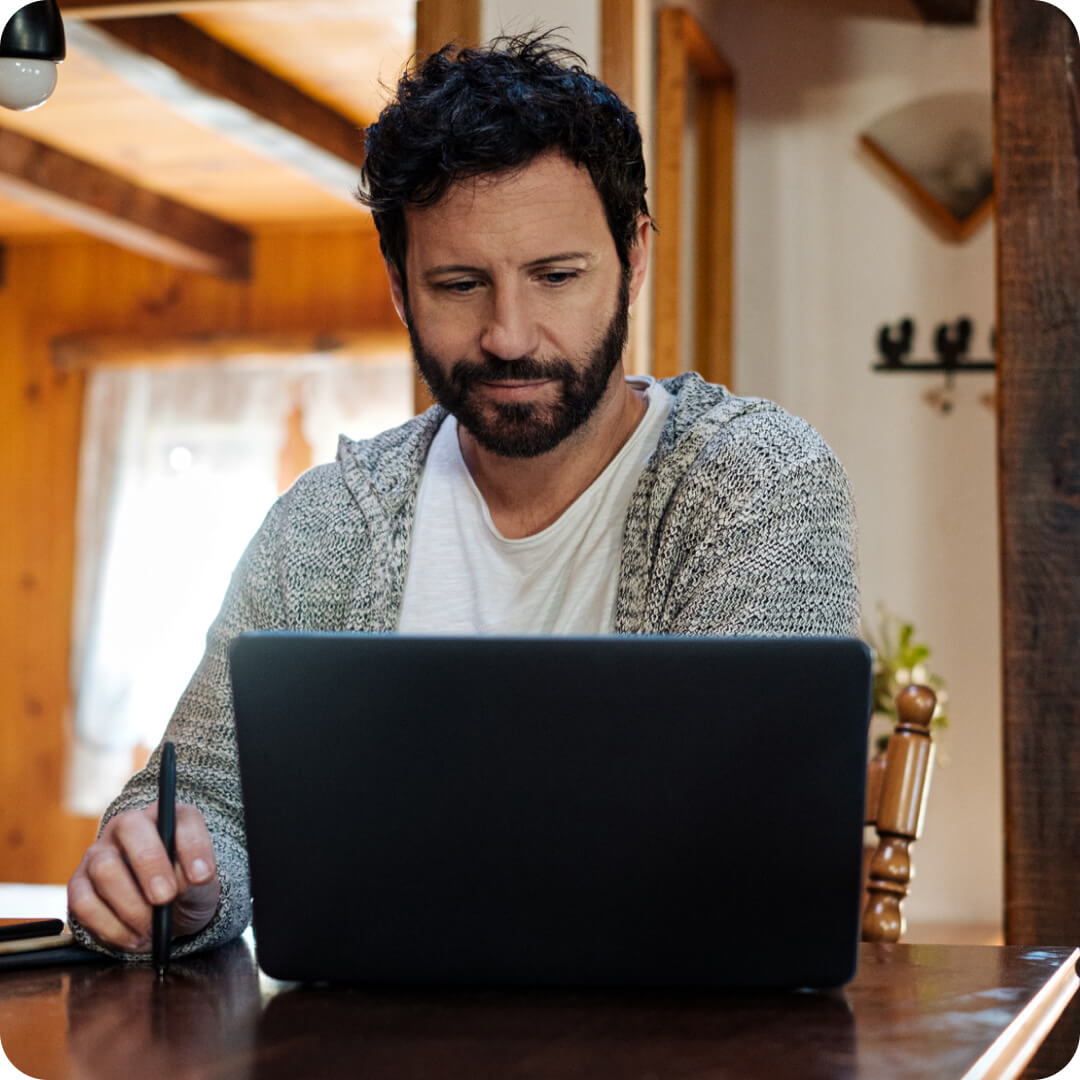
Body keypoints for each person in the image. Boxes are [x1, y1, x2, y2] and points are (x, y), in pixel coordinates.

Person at [67, 33, 859, 958]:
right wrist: (174, 884)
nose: (510, 336)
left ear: (633, 258)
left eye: (557, 277)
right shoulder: (329, 523)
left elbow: (745, 848)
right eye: (458, 285)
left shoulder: (754, 485)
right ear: (401, 289)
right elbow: (200, 799)